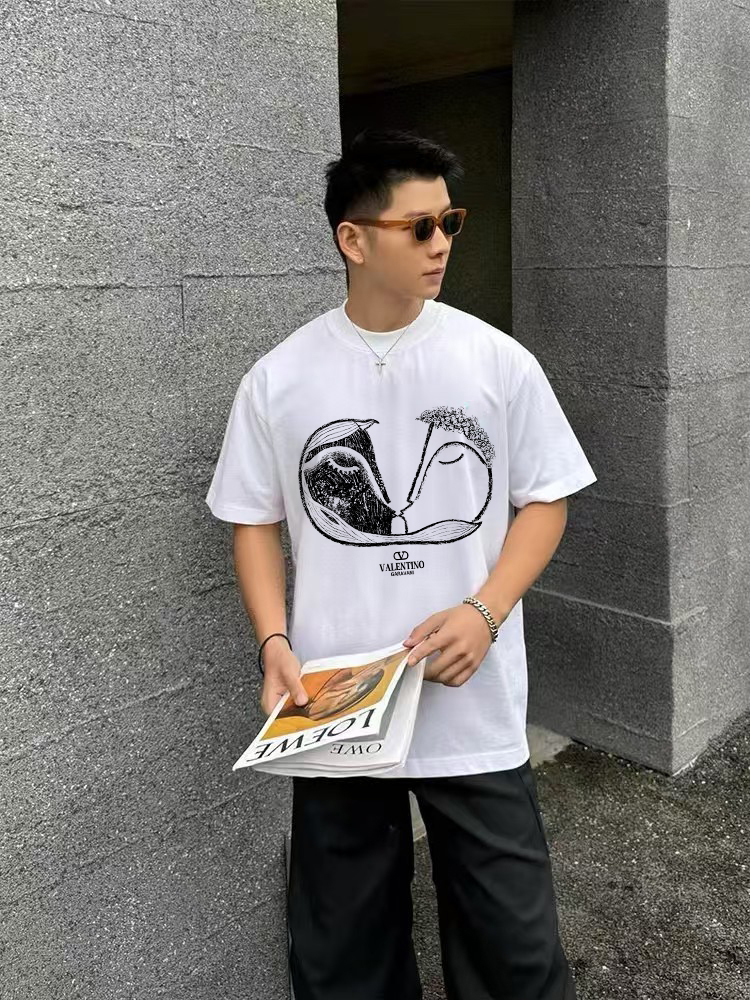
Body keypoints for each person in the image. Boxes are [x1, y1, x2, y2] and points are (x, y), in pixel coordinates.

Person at [205, 127, 596, 1000]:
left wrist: (486, 611)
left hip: (470, 698)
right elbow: (253, 520)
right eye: (418, 227)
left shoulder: (496, 360)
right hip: (338, 702)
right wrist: (273, 642)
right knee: (345, 953)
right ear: (353, 239)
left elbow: (546, 499)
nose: (441, 244)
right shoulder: (279, 378)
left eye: (449, 222)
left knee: (515, 952)